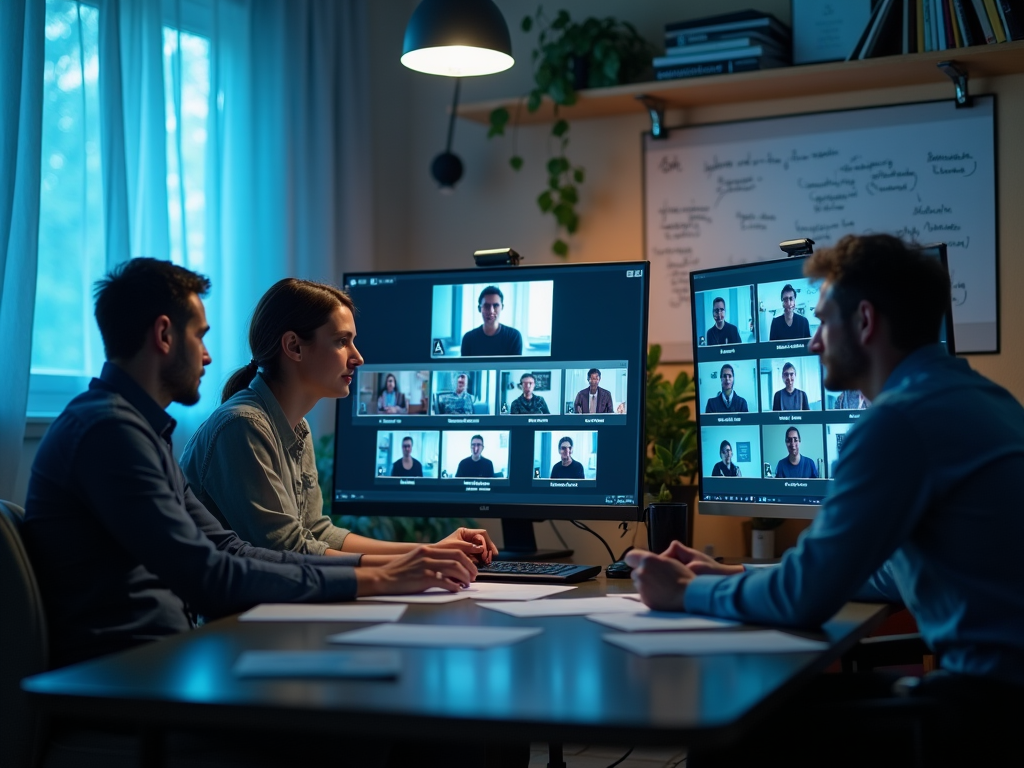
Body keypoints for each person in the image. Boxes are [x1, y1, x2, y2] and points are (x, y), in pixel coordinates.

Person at [626, 234, 1024, 765]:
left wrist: (683, 593)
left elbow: (805, 599)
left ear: (864, 322)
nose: (813, 342)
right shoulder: (985, 399)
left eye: (821, 320)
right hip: (1003, 699)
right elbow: (884, 573)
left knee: (728, 722)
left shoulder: (897, 421)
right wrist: (731, 577)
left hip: (984, 715)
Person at [22, 259, 479, 672]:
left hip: (168, 659)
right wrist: (378, 577)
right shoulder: (108, 433)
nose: (208, 355)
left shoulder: (138, 431)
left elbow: (231, 550)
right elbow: (210, 576)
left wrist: (395, 567)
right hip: (134, 678)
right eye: (199, 335)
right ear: (163, 336)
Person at [179, 278, 496, 564]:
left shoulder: (297, 427)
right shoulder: (243, 425)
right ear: (294, 347)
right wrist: (410, 565)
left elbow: (317, 533)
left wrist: (432, 550)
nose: (358, 357)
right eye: (342, 341)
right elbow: (288, 550)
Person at [460, 285, 523, 356]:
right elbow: (465, 366)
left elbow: (515, 366)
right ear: (479, 308)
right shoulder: (469, 338)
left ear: (502, 307)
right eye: (486, 306)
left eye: (495, 305)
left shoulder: (513, 337)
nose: (491, 311)